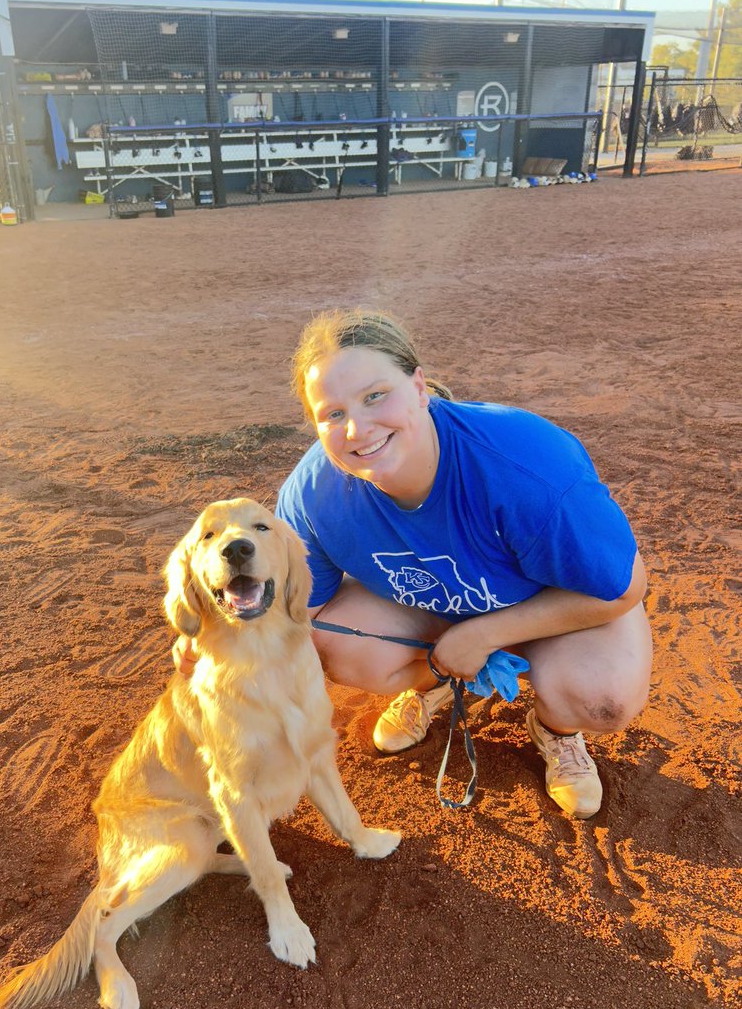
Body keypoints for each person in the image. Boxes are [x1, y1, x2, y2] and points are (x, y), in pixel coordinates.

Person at [177, 309, 652, 820]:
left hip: (551, 607)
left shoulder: (524, 464)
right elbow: (294, 615)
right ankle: (434, 684)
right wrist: (214, 643)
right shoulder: (315, 496)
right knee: (330, 638)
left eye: (375, 395)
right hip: (434, 609)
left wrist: (484, 635)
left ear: (420, 387)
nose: (357, 428)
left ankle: (556, 731)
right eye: (332, 414)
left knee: (605, 697)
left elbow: (624, 589)